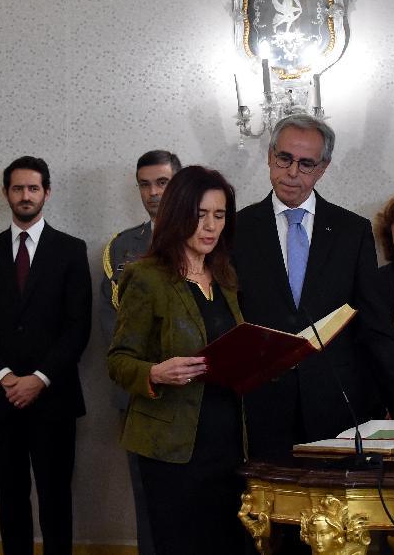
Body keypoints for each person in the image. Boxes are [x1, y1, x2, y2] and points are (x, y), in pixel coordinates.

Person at [232, 113, 394, 457]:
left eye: (306, 163)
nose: (292, 172)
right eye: (284, 159)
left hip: (336, 404)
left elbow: (374, 325)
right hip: (261, 406)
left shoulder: (351, 232)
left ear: (322, 168)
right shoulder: (237, 229)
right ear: (269, 156)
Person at [108, 166, 247, 554]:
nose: (210, 226)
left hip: (229, 439)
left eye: (219, 216)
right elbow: (118, 360)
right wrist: (154, 372)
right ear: (178, 212)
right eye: (200, 214)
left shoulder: (225, 277)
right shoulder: (146, 277)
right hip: (172, 446)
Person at [0, 156, 92, 555]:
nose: (25, 195)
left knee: (56, 499)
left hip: (53, 398)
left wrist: (39, 378)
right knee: (10, 497)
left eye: (33, 188)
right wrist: (3, 376)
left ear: (46, 193)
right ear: (5, 194)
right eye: (17, 188)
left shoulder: (71, 250)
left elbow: (78, 328)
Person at [99, 149, 180, 555]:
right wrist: (147, 372)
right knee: (147, 500)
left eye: (163, 183)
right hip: (141, 392)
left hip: (197, 389)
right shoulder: (120, 248)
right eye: (145, 184)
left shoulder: (209, 235)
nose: (153, 193)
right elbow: (111, 326)